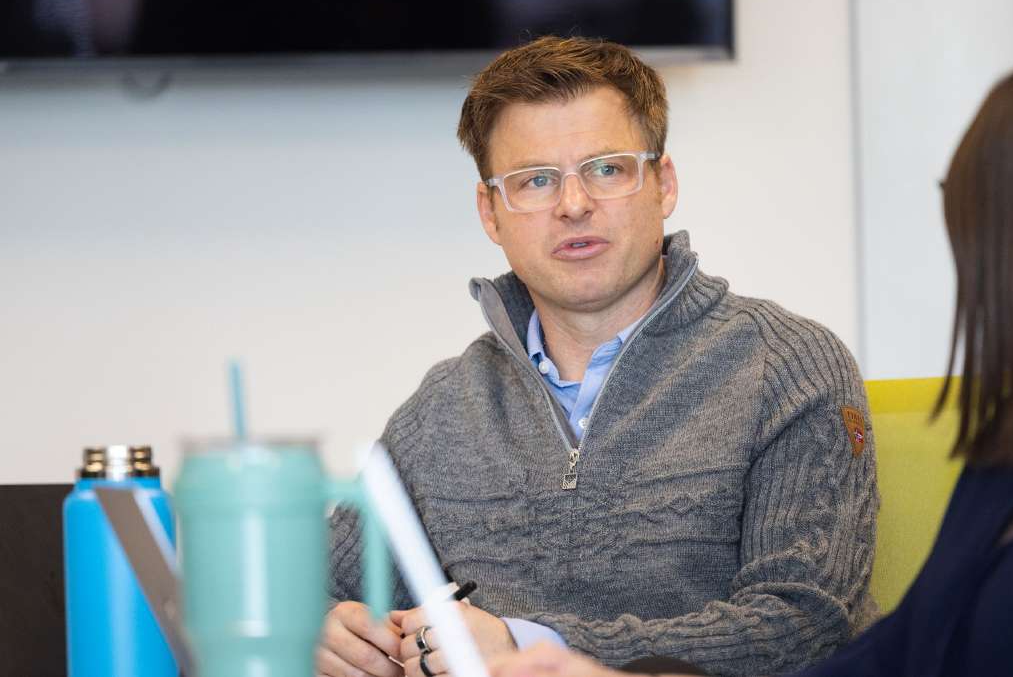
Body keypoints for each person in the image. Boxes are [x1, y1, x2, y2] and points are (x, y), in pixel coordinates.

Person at [484, 38, 1013, 677]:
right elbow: (893, 659)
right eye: (535, 182)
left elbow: (807, 625)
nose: (968, 246)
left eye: (979, 207)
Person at [317, 36, 879, 677]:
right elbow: (320, 589)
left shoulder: (788, 368)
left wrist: (531, 644)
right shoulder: (441, 409)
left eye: (608, 168)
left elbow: (807, 624)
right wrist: (325, 631)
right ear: (491, 213)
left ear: (662, 184)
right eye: (534, 181)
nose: (574, 204)